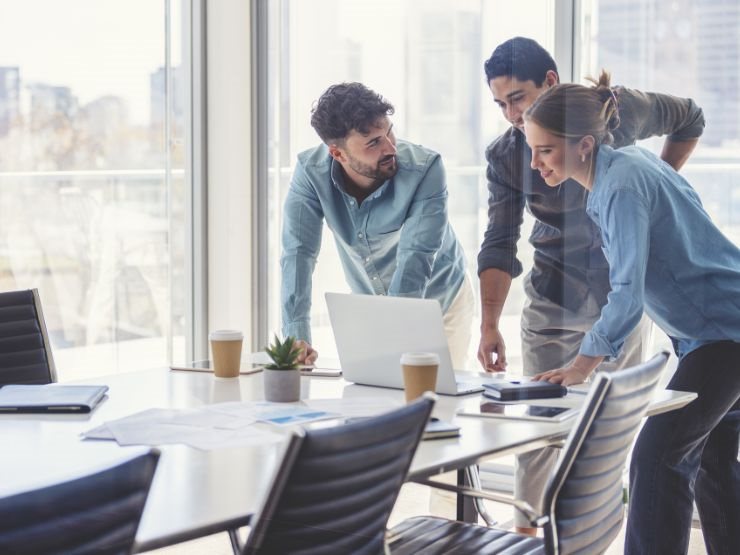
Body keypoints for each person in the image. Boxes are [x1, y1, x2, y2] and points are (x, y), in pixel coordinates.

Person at [477, 36, 705, 535]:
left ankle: (589, 535)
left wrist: (658, 181)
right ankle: (529, 536)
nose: (511, 115)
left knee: (613, 430)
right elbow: (499, 240)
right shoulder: (507, 155)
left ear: (550, 83)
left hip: (622, 297)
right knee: (538, 428)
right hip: (553, 291)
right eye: (500, 104)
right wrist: (490, 322)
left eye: (517, 98)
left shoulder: (616, 117)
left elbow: (691, 116)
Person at [525, 72, 740, 554]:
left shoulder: (620, 185)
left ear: (583, 144)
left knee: (659, 454)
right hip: (713, 329)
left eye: (546, 150)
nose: (536, 163)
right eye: (533, 149)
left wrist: (582, 365)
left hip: (726, 333)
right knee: (710, 457)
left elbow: (627, 291)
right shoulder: (626, 166)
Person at [281, 82, 473, 368]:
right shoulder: (310, 173)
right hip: (371, 305)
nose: (390, 147)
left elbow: (415, 257)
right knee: (373, 400)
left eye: (389, 132)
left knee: (434, 399)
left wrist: (392, 338)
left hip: (439, 300)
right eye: (373, 142)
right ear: (338, 154)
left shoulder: (425, 169)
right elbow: (298, 254)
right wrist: (297, 338)